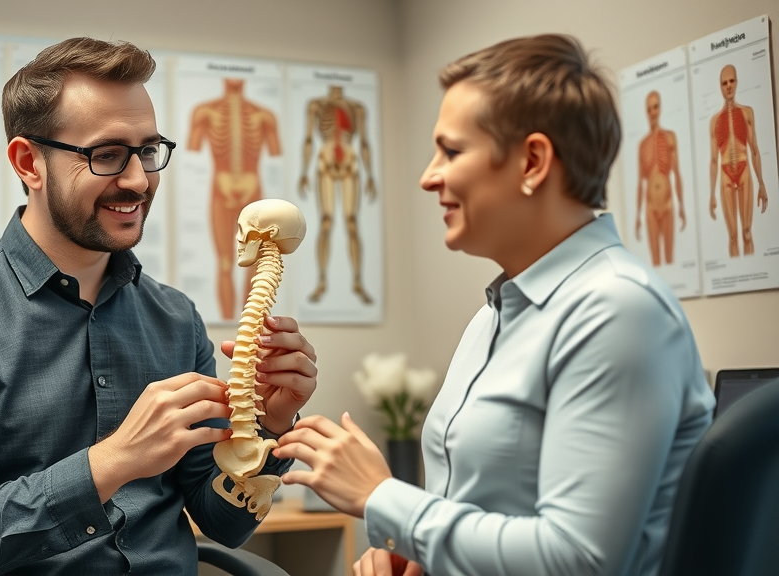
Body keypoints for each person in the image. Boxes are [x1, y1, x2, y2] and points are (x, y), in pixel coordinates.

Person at [275, 34, 715, 576]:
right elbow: (486, 506)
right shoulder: (497, 312)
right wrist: (414, 554)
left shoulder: (619, 312)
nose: (428, 176)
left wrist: (383, 499)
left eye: (452, 151)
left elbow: (576, 560)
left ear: (532, 161)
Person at [0, 38, 317, 576]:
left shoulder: (175, 318)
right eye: (106, 155)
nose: (137, 180)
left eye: (148, 151)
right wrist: (111, 462)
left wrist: (269, 425)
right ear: (28, 162)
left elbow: (223, 523)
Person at [187, 78, 282, 320]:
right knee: (226, 263)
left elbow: (276, 153)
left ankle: (247, 324)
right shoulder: (204, 112)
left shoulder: (265, 116)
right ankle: (228, 320)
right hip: (221, 191)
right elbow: (192, 152)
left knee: (252, 265)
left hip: (254, 193)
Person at [298, 84, 377, 304]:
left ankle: (358, 282)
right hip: (325, 158)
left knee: (352, 222)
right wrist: (304, 172)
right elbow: (308, 140)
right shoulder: (316, 105)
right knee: (326, 222)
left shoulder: (357, 108)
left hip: (350, 158)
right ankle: (322, 281)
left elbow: (364, 142)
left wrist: (370, 174)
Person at [708, 64, 768, 257]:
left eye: (731, 81)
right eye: (724, 83)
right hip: (725, 172)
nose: (728, 86)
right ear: (720, 86)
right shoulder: (715, 120)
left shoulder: (747, 112)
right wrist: (711, 194)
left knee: (747, 233)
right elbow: (713, 160)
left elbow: (755, 150)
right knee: (733, 236)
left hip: (744, 170)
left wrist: (761, 183)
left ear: (736, 82)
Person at [635, 90, 685, 266]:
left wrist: (682, 206)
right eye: (649, 109)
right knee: (655, 263)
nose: (652, 112)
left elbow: (677, 173)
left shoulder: (670, 137)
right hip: (650, 207)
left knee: (670, 259)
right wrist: (637, 216)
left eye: (655, 107)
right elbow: (640, 184)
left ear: (660, 108)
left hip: (668, 203)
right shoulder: (642, 145)